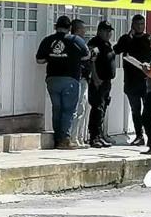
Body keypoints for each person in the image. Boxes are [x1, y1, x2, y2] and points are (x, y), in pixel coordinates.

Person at [36, 15, 89, 149]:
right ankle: (64, 140)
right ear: (70, 28)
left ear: (55, 26)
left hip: (52, 79)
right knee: (68, 110)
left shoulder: (48, 40)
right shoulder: (75, 40)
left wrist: (53, 57)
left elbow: (40, 60)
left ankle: (57, 137)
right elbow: (87, 55)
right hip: (70, 79)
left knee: (57, 109)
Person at [114, 14, 151, 146]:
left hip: (146, 80)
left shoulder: (149, 39)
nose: (140, 27)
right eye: (137, 24)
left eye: (142, 24)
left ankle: (150, 137)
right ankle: (139, 135)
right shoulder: (126, 39)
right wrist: (128, 38)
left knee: (148, 110)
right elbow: (116, 50)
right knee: (135, 110)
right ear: (132, 25)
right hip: (131, 80)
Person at [88, 20, 117, 148]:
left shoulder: (107, 44)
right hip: (98, 82)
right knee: (97, 109)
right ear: (99, 31)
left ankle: (100, 135)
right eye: (106, 31)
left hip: (106, 82)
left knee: (102, 109)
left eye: (110, 31)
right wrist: (95, 78)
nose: (108, 33)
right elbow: (91, 62)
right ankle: (94, 137)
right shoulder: (95, 44)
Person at [69, 19, 91, 148]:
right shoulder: (76, 42)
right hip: (79, 78)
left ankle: (80, 138)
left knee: (84, 108)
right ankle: (74, 138)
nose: (85, 31)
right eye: (83, 29)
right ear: (77, 29)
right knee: (79, 108)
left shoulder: (79, 42)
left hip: (84, 78)